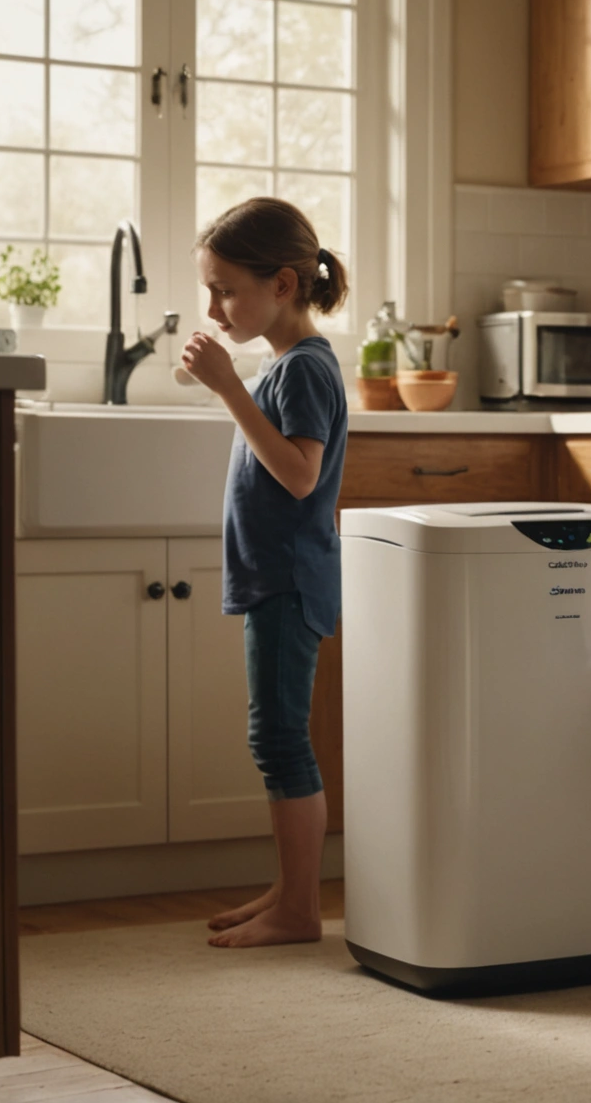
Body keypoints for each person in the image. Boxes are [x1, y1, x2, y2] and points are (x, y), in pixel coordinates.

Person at [179, 197, 349, 949]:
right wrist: (235, 387)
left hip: (288, 582)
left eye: (226, 288)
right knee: (276, 737)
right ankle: (292, 888)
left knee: (279, 740)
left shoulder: (304, 370)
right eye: (210, 289)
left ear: (282, 285)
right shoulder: (286, 366)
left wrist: (229, 390)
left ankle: (301, 910)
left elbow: (299, 475)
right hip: (276, 579)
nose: (214, 306)